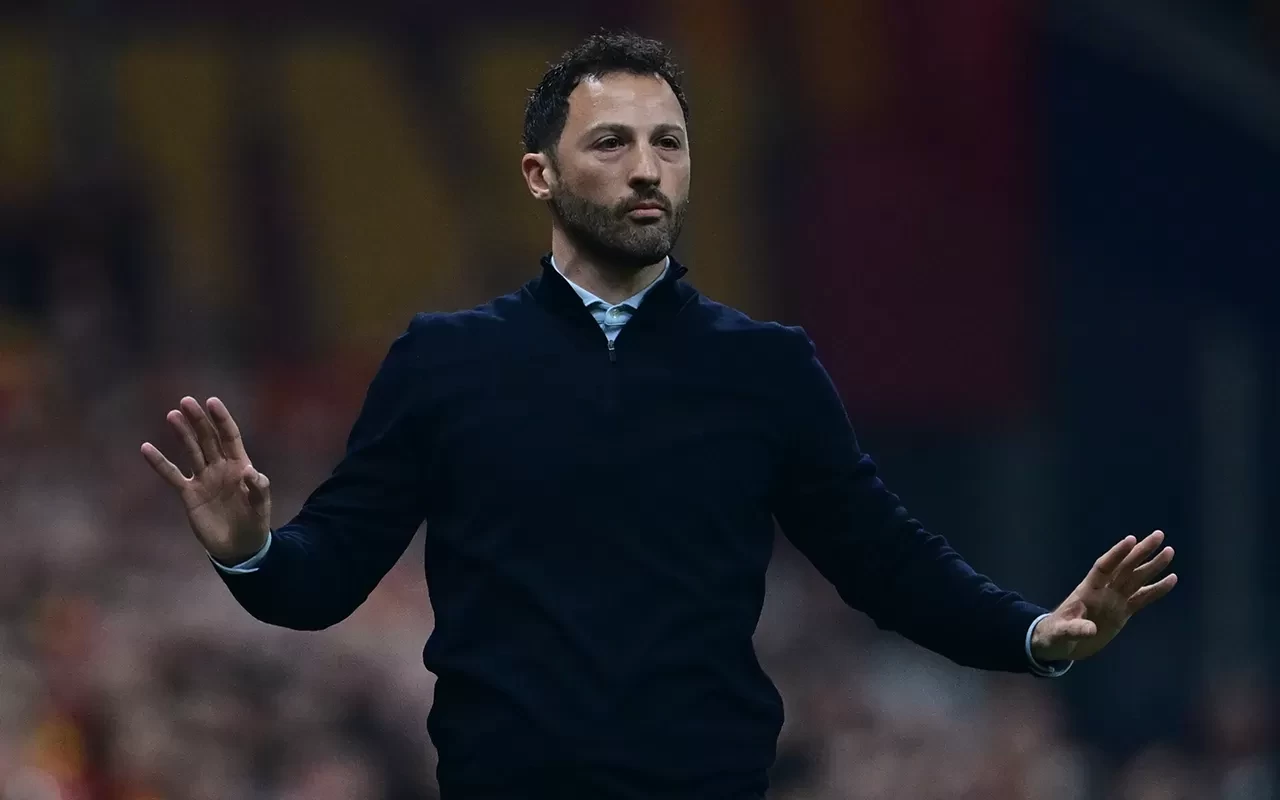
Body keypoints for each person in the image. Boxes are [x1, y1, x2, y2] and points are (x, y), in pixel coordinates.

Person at [140, 31, 1178, 800]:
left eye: (669, 143)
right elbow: (327, 575)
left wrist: (1032, 633)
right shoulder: (442, 362)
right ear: (539, 174)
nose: (647, 168)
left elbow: (885, 561)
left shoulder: (764, 367)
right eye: (612, 142)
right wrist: (250, 553)